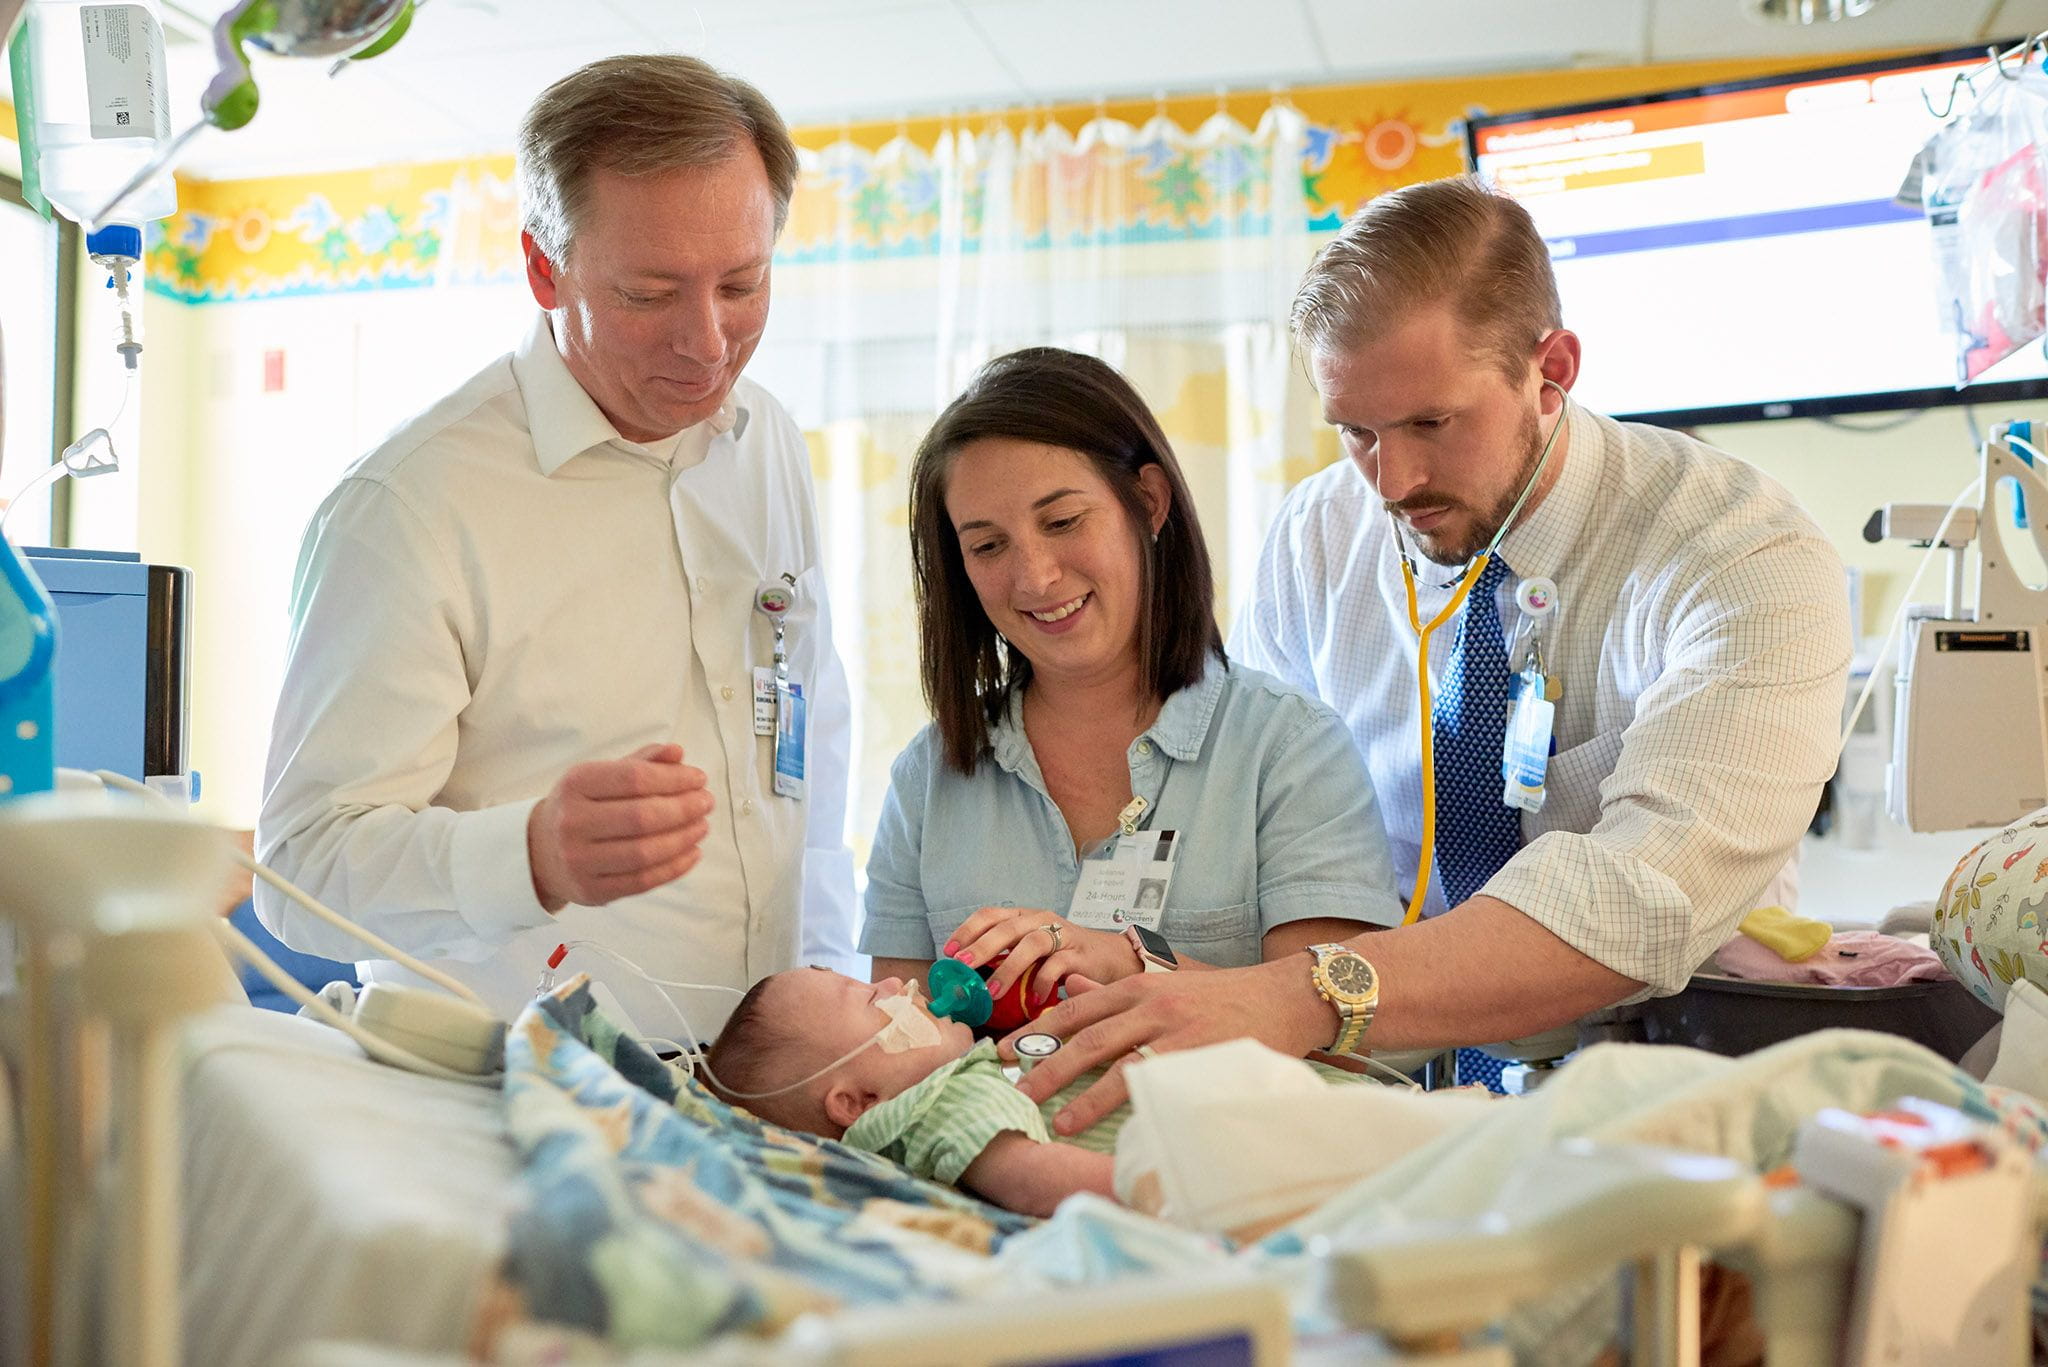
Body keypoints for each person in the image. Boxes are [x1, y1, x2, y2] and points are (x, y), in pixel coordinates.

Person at [1016, 175, 1852, 1130]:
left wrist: (1301, 996)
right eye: (1356, 431)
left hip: (1663, 1083)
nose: (1393, 481)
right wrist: (1146, 963)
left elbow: (1643, 893)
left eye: (1430, 423)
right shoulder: (1319, 538)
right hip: (1385, 1082)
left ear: (1553, 369)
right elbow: (1251, 828)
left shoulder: (1742, 554)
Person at [255, 56, 856, 1032]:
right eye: (650, 293)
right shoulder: (410, 506)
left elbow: (807, 739)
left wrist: (824, 982)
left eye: (742, 284)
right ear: (544, 268)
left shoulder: (769, 442)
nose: (708, 343)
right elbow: (300, 870)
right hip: (504, 1086)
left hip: (764, 1081)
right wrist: (528, 856)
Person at [858, 347, 1405, 1013]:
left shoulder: (1290, 750)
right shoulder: (928, 780)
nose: (1036, 577)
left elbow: (1342, 1032)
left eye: (1063, 522)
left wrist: (1133, 961)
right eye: (988, 545)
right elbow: (893, 1047)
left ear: (1148, 502)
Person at [702, 965, 1379, 1218]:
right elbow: (1037, 1182)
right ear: (855, 1103)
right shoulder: (937, 1105)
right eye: (863, 998)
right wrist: (1199, 1197)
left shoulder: (966, 1078)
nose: (889, 983)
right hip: (1272, 1156)